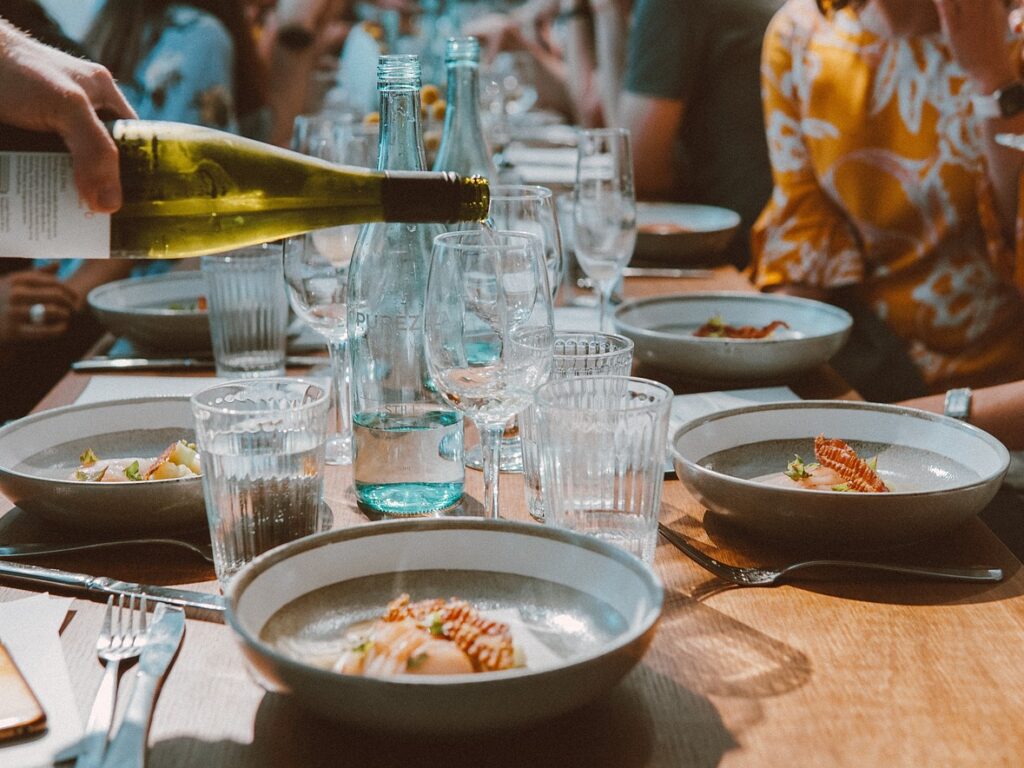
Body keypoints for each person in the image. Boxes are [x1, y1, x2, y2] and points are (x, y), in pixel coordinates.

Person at [752, 0, 1024, 401]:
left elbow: (1013, 239)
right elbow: (808, 242)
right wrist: (760, 365)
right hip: (860, 376)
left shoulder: (1014, 39)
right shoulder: (802, 35)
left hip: (992, 398)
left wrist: (992, 77)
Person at [620, 0, 785, 269]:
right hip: (748, 242)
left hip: (739, 255)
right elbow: (606, 130)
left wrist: (594, 14)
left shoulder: (671, 6)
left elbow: (631, 173)